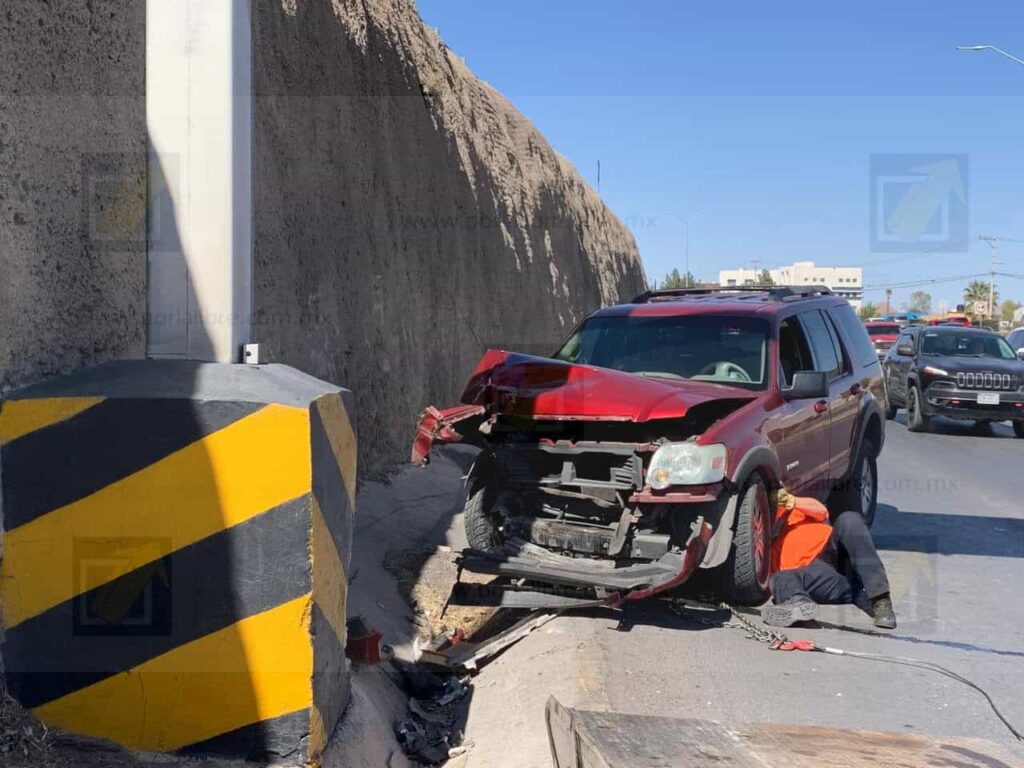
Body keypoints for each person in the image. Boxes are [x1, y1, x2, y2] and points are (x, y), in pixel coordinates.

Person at [762, 488, 897, 629]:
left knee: (849, 519)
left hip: (833, 553)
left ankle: (880, 601)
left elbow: (821, 511)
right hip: (819, 577)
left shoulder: (793, 511)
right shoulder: (763, 548)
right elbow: (763, 583)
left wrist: (792, 501)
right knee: (779, 578)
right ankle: (799, 605)